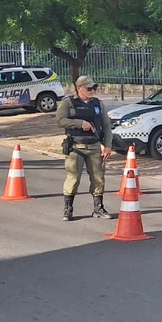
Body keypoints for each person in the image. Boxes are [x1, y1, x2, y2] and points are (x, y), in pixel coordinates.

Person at [56, 75, 114, 221]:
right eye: (89, 88)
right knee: (73, 178)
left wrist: (107, 146)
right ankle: (68, 210)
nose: (92, 90)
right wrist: (79, 123)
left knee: (98, 178)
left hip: (94, 146)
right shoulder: (68, 103)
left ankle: (98, 208)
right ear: (79, 88)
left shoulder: (98, 104)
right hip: (76, 146)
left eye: (94, 88)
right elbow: (60, 120)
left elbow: (106, 125)